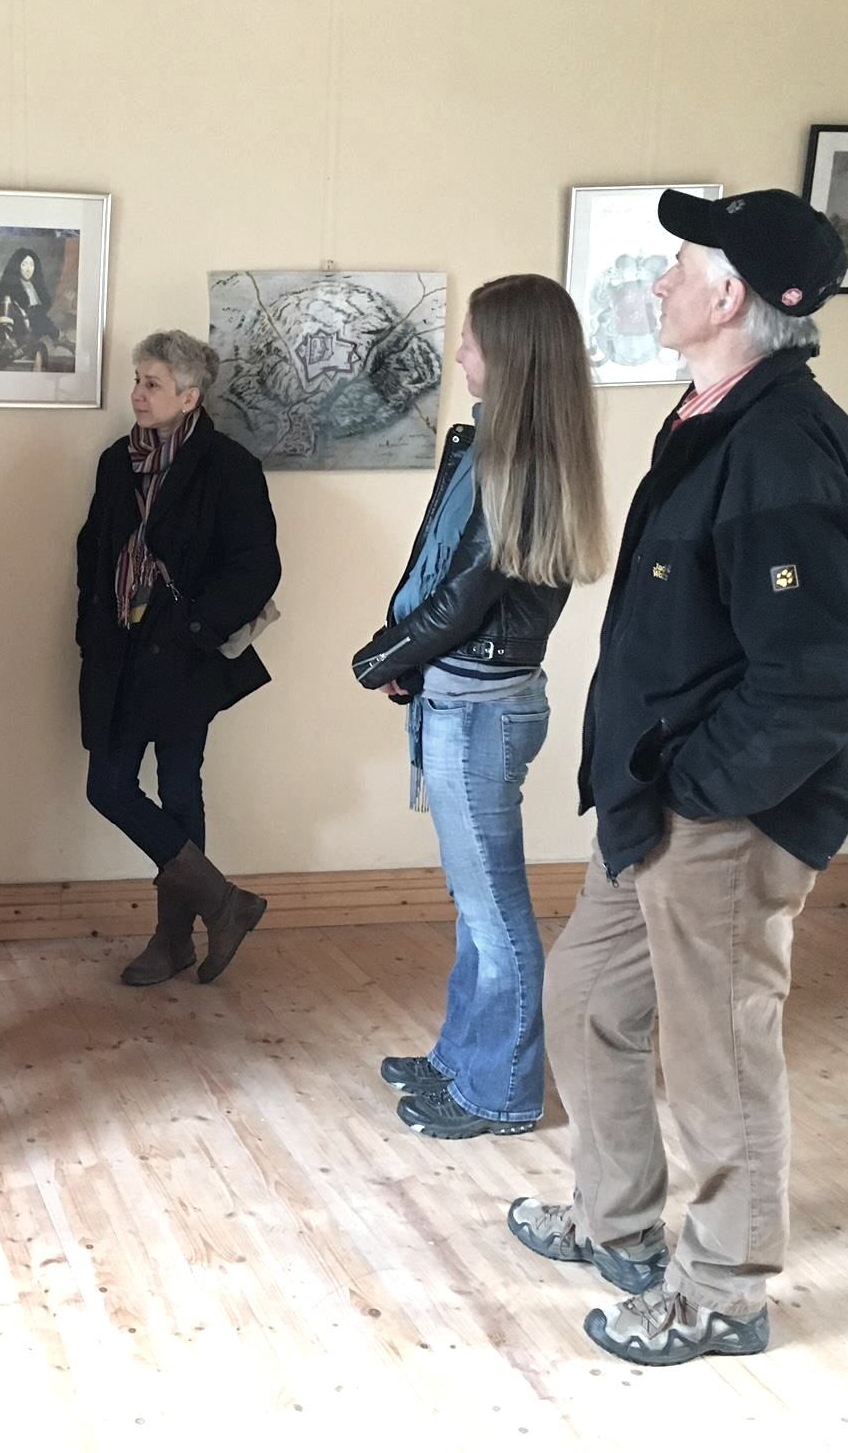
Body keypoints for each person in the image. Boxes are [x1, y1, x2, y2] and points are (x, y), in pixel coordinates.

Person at [505, 189, 848, 1367]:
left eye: (680, 265)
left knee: (720, 1060)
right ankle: (616, 1223)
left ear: (730, 296)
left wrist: (698, 791)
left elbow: (817, 681)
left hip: (721, 816)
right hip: (655, 803)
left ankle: (723, 1293)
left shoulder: (786, 451)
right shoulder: (712, 418)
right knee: (586, 1001)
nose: (660, 281)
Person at [351, 274, 607, 1140]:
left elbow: (466, 595)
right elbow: (445, 569)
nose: (459, 351)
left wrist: (386, 657)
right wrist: (409, 659)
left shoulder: (522, 462)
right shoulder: (494, 446)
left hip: (481, 708)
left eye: (470, 338)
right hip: (465, 694)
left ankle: (501, 1091)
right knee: (476, 901)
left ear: (510, 354)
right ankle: (462, 1058)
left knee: (495, 908)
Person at [75, 330, 281, 987]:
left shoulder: (229, 467)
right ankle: (224, 902)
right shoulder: (117, 462)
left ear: (189, 397)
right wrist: (90, 628)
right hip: (121, 649)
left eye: (152, 383)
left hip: (185, 655)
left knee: (179, 784)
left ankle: (173, 941)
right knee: (108, 786)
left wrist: (195, 627)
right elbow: (92, 551)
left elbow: (257, 568)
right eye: (137, 380)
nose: (137, 394)